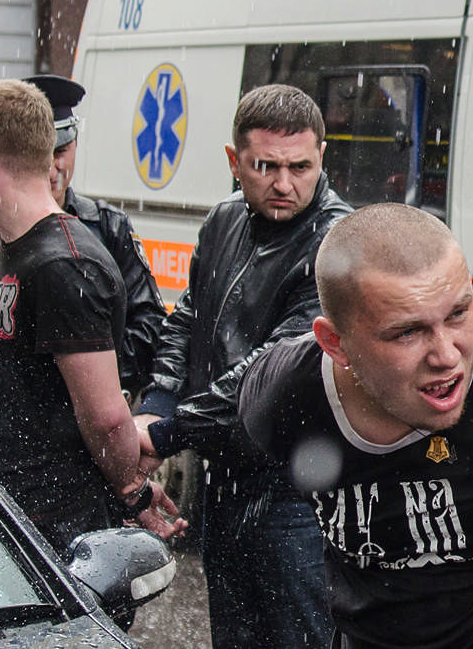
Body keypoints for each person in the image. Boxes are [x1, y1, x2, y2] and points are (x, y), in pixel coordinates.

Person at [140, 203, 473, 647]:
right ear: (334, 343)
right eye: (407, 332)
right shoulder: (288, 395)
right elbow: (227, 402)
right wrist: (156, 437)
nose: (447, 356)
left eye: (457, 314)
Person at [134, 84, 350, 648]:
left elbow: (272, 368)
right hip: (226, 476)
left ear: (321, 157)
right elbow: (188, 318)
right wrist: (158, 398)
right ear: (234, 162)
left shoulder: (336, 242)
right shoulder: (225, 219)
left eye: (300, 166)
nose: (284, 183)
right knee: (234, 636)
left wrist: (166, 431)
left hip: (300, 489)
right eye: (266, 166)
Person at [0, 78, 185, 553]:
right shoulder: (13, 244)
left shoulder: (64, 262)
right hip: (14, 516)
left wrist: (129, 492)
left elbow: (108, 417)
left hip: (59, 530)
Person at [0, 74, 165, 436]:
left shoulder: (105, 226)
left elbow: (148, 326)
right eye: (41, 155)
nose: (51, 169)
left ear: (75, 145)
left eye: (60, 152)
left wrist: (90, 385)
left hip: (79, 441)